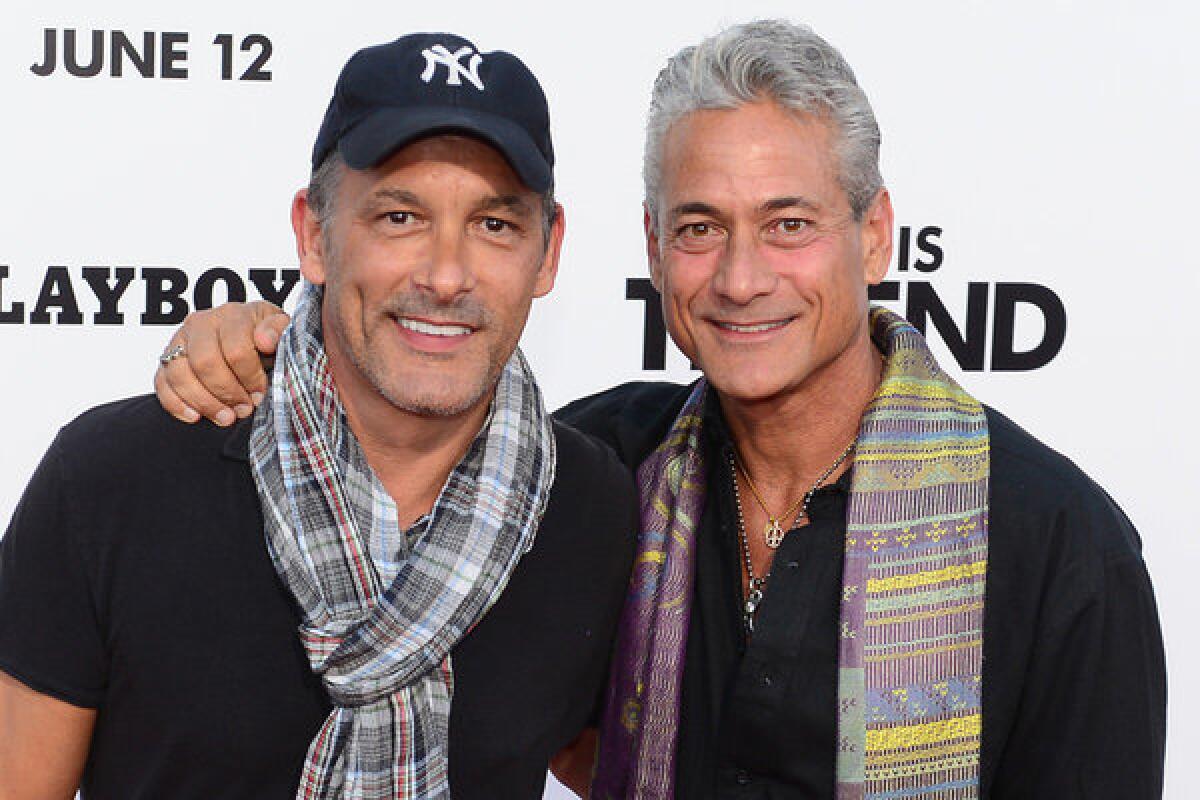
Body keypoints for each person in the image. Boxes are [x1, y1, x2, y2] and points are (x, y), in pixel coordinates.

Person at [153, 20, 1167, 799]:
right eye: (699, 227)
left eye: (789, 224)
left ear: (874, 235)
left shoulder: (1058, 546)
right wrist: (258, 339)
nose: (739, 276)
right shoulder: (593, 468)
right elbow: (396, 422)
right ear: (649, 245)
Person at [0, 32, 636, 799]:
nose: (445, 274)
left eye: (495, 225)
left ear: (549, 251)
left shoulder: (593, 505)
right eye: (399, 217)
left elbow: (627, 762)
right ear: (314, 235)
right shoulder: (112, 477)